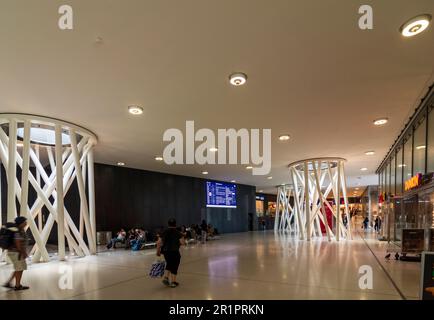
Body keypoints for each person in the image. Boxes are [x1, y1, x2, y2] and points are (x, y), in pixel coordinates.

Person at [3, 216, 29, 291]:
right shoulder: (17, 231)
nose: (26, 223)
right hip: (17, 253)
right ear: (21, 223)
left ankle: (9, 283)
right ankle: (17, 286)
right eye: (24, 222)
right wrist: (23, 253)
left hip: (15, 253)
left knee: (19, 268)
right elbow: (18, 243)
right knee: (19, 268)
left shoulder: (19, 230)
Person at [157, 218, 185, 288]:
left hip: (166, 252)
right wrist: (182, 237)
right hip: (174, 251)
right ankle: (173, 282)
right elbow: (182, 243)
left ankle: (166, 278)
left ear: (168, 224)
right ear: (175, 224)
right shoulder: (178, 232)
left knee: (169, 263)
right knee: (174, 266)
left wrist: (158, 251)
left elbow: (159, 242)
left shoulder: (164, 231)